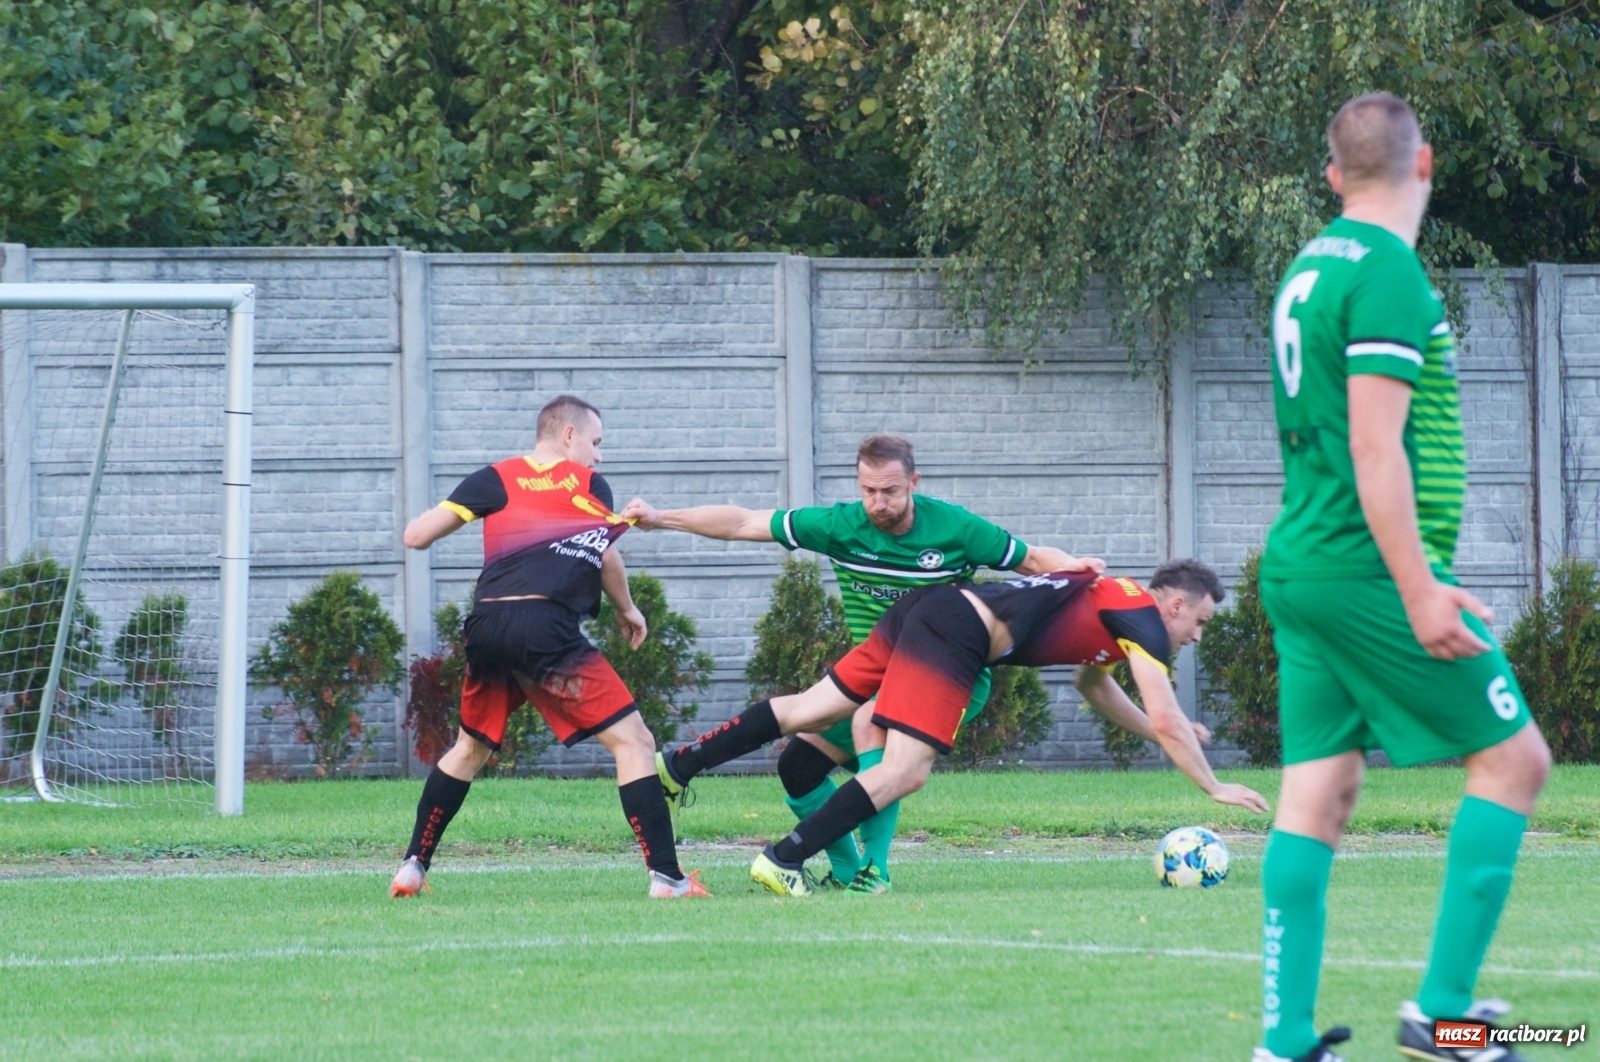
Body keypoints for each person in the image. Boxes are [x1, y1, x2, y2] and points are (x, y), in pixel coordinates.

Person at [1252, 93, 1550, 1062]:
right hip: (1366, 570)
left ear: (1332, 177)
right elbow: (1373, 447)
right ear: (1424, 165)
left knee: (1319, 792)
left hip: (1305, 561)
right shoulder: (1386, 272)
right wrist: (1419, 588)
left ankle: (1285, 1041)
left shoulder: (1309, 266)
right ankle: (1444, 1018)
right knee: (1515, 760)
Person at [621, 434, 1102, 892]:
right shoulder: (842, 526)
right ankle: (846, 869)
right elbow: (745, 523)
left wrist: (1084, 573)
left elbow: (1033, 560)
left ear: (914, 483)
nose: (878, 503)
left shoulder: (955, 528)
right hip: (875, 669)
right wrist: (661, 518)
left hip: (948, 676)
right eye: (869, 490)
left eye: (890, 491)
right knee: (799, 765)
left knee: (874, 726)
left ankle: (875, 871)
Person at [652, 559, 1268, 895]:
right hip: (959, 630)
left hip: (933, 606)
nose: (1197, 635)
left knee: (811, 708)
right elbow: (1165, 711)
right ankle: (784, 858)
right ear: (1176, 604)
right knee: (905, 769)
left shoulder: (1117, 600)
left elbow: (1095, 686)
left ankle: (678, 766)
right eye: (1201, 622)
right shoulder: (1147, 623)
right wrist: (1212, 784)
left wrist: (1165, 733)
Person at [389, 394, 709, 900]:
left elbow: (415, 536)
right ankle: (668, 878)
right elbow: (604, 556)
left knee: (469, 748)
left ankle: (412, 866)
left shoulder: (494, 478)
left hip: (487, 626)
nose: (598, 455)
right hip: (544, 628)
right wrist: (628, 609)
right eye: (595, 442)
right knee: (635, 743)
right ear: (568, 435)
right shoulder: (587, 484)